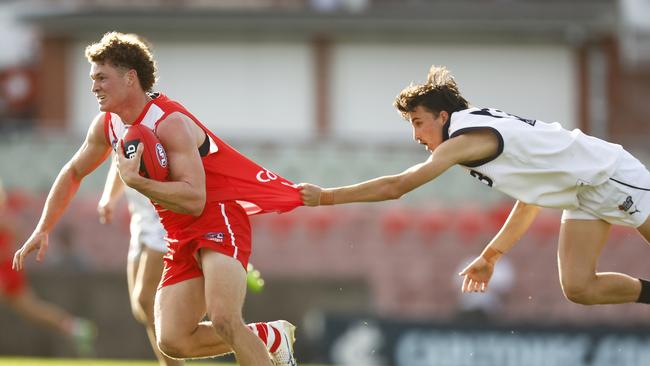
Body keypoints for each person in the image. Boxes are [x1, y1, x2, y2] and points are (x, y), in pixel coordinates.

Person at [13, 32, 302, 366]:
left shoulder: (168, 122)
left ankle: (262, 338)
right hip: (174, 227)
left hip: (212, 217)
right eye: (93, 79)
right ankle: (268, 337)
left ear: (130, 78)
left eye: (101, 78)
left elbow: (194, 199)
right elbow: (74, 171)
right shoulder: (108, 124)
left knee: (221, 319)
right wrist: (43, 227)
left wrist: (135, 183)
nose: (94, 87)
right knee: (170, 338)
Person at [299, 65, 650, 310]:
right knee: (579, 287)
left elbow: (398, 186)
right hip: (584, 193)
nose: (415, 135)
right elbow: (529, 201)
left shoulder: (463, 140)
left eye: (418, 123)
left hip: (612, 176)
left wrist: (326, 197)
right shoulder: (471, 133)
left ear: (443, 117)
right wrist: (490, 256)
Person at [98, 161, 267, 366]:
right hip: (140, 217)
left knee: (146, 299)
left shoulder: (166, 129)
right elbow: (120, 160)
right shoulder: (111, 128)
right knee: (142, 308)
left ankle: (250, 334)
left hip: (163, 214)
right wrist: (109, 197)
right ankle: (256, 335)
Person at [0, 179, 96, 357]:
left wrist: (6, 254)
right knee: (32, 309)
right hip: (7, 270)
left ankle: (73, 326)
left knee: (32, 309)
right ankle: (73, 326)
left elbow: (16, 230)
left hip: (4, 270)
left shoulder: (3, 217)